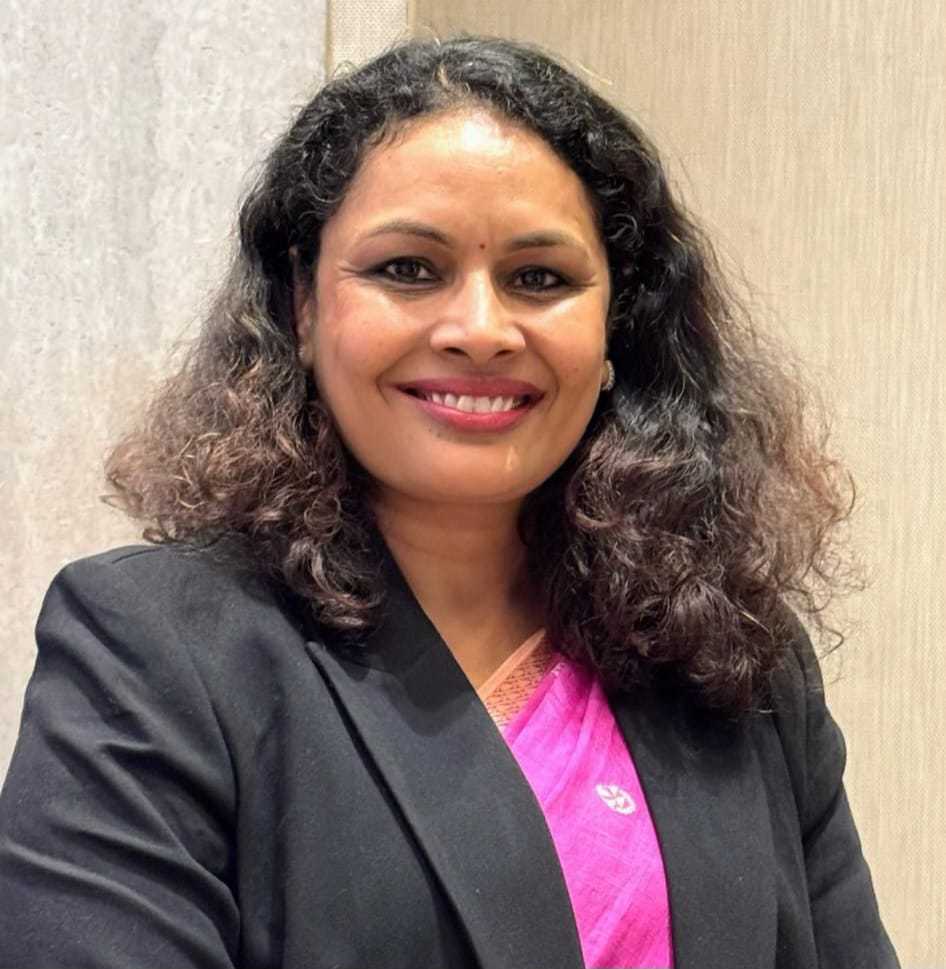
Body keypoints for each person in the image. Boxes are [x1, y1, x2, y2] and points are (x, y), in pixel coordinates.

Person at [0, 34, 899, 969]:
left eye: (540, 279)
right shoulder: (155, 650)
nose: (479, 330)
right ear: (304, 305)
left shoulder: (734, 655)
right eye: (407, 269)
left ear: (615, 327)